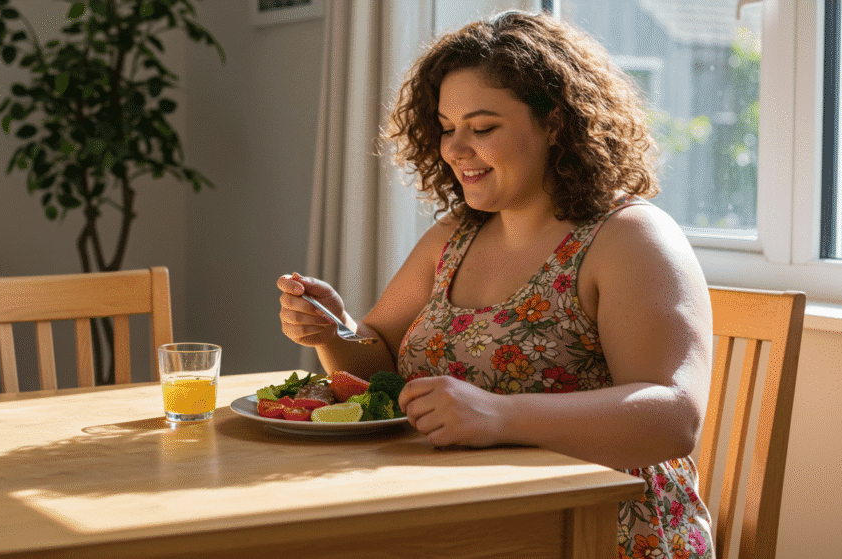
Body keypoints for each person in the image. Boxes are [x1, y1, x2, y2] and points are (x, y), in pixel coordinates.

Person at [277, 10, 714, 558]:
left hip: (599, 529)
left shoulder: (627, 237)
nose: (456, 150)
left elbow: (674, 418)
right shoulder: (455, 235)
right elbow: (380, 358)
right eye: (446, 128)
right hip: (468, 516)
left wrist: (500, 414)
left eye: (482, 128)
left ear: (555, 121)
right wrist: (331, 333)